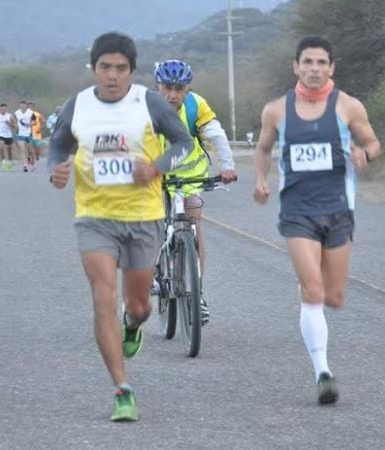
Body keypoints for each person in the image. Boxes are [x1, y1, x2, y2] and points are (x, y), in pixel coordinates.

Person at [48, 31, 195, 422]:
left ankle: (135, 324)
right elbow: (58, 145)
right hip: (94, 217)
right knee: (102, 297)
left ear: (132, 70)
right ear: (93, 68)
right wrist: (56, 169)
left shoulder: (148, 101)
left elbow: (183, 144)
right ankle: (122, 389)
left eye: (121, 68)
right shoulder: (76, 105)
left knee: (138, 305)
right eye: (105, 68)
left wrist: (156, 167)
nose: (112, 76)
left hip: (143, 217)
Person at [252, 36, 381, 405]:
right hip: (297, 211)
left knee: (334, 296)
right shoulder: (276, 110)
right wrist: (261, 179)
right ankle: (322, 372)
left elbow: (374, 143)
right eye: (307, 62)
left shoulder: (348, 106)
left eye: (321, 63)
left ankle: (313, 298)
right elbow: (262, 148)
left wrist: (364, 155)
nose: (313, 69)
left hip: (339, 209)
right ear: (295, 66)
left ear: (331, 67)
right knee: (312, 291)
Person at [154, 59, 237, 325]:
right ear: (159, 86)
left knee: (192, 225)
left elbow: (216, 135)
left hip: (190, 175)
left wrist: (227, 165)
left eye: (180, 88)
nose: (173, 94)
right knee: (148, 222)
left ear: (187, 88)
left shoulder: (196, 105)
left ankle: (196, 292)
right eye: (167, 87)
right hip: (153, 174)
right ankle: (153, 272)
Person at [14, 100, 36, 172]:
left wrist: (30, 124)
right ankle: (25, 165)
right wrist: (15, 125)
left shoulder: (30, 113)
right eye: (21, 105)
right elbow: (14, 120)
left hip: (28, 133)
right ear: (19, 105)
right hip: (20, 134)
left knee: (30, 150)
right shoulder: (16, 113)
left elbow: (34, 121)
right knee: (22, 150)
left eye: (24, 105)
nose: (23, 106)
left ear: (26, 105)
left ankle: (32, 162)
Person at [0, 103, 17, 171]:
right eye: (2, 109)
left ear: (6, 109)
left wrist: (9, 123)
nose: (3, 110)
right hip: (0, 134)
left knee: (9, 150)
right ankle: (3, 161)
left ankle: (10, 162)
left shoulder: (10, 116)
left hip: (8, 135)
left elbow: (15, 126)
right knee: (0, 146)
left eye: (4, 109)